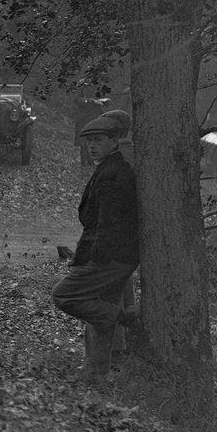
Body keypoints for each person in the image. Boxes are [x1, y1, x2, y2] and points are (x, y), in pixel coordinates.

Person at [52, 110, 140, 383]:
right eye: (89, 141)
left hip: (110, 257)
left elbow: (108, 224)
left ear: (115, 141)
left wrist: (92, 261)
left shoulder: (115, 173)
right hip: (117, 255)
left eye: (99, 140)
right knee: (99, 311)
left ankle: (125, 318)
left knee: (64, 296)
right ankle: (95, 374)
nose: (92, 146)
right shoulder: (109, 168)